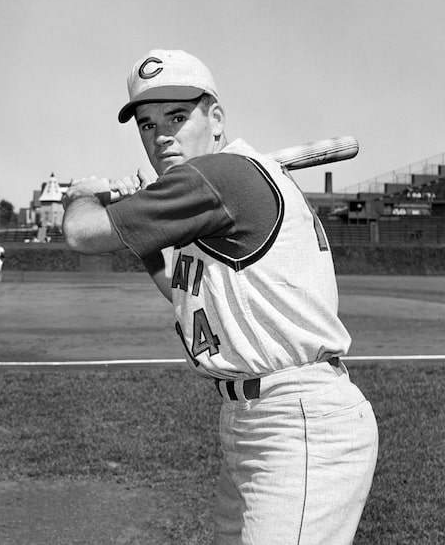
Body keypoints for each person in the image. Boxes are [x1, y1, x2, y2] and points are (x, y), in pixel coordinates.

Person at [62, 49, 378, 545]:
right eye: (146, 124)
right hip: (253, 420)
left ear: (216, 119)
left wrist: (82, 195)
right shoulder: (217, 189)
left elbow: (81, 233)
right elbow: (181, 288)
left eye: (177, 116)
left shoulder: (221, 177)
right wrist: (141, 232)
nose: (161, 135)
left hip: (296, 419)